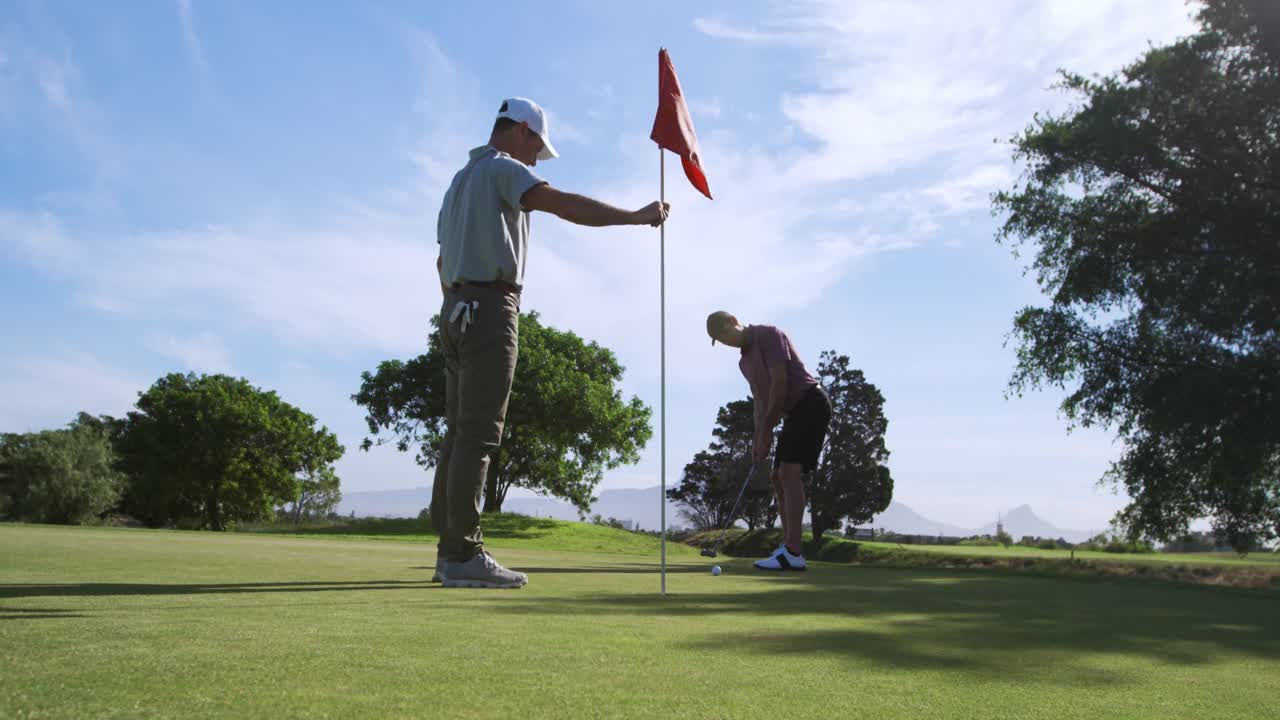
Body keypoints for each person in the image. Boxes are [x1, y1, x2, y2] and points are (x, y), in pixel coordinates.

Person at [432, 97, 669, 589]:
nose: (536, 163)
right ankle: (463, 553)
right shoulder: (504, 169)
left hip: (454, 309)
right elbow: (562, 205)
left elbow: (441, 260)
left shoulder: (459, 181)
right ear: (522, 130)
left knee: (458, 435)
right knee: (478, 436)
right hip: (490, 307)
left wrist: (457, 306)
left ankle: (448, 550)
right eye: (537, 149)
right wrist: (635, 216)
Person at [706, 310, 831, 571]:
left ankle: (793, 551)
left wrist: (767, 430)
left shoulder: (769, 334)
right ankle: (790, 548)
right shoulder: (744, 363)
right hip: (793, 413)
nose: (727, 342)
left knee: (788, 472)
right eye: (721, 341)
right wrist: (757, 437)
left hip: (811, 403)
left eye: (725, 334)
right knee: (777, 477)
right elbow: (760, 401)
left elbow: (779, 385)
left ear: (733, 321)